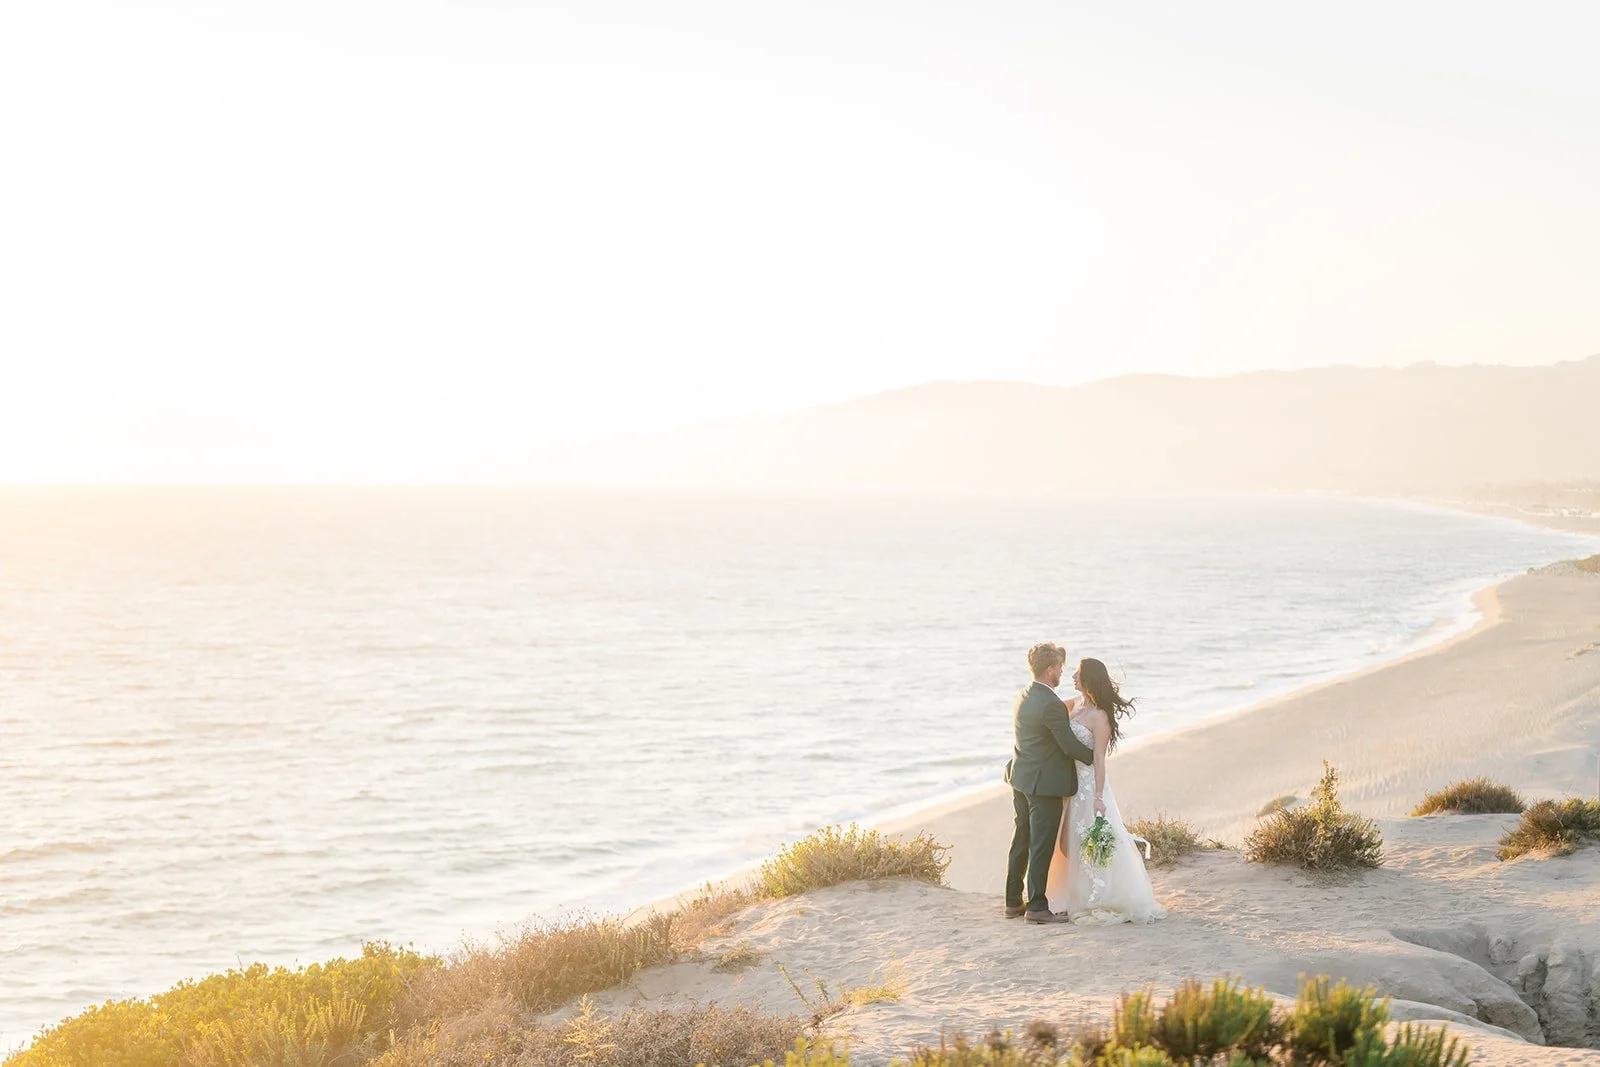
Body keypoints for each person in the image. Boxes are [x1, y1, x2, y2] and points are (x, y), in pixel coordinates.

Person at [1002, 642, 1096, 923]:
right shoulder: (1051, 704)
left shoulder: (1024, 695)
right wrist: (1095, 756)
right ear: (1049, 670)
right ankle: (1037, 907)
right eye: (1059, 669)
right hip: (1043, 787)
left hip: (1020, 778)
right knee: (1041, 845)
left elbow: (1043, 728)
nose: (1061, 673)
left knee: (1021, 840)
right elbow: (1068, 745)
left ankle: (1012, 901)